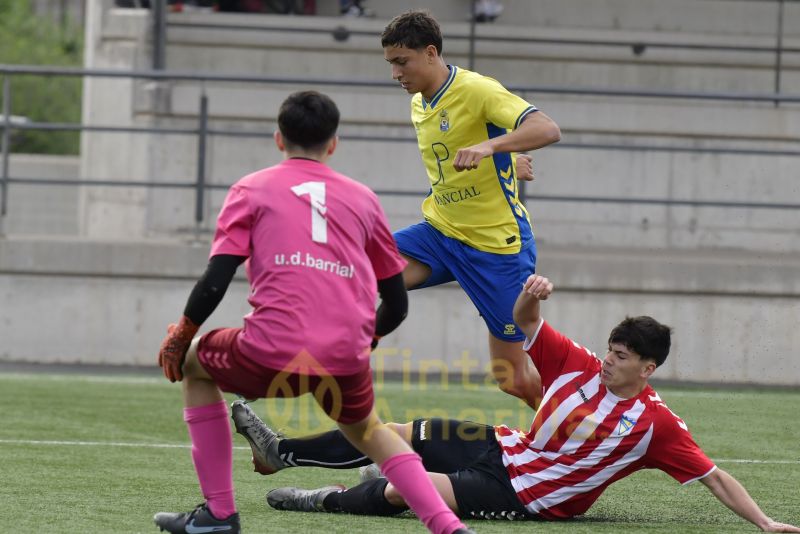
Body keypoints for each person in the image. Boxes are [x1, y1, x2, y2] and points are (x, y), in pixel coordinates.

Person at [230, 274, 800, 532]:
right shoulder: (578, 364)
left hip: (529, 496)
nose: (608, 360)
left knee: (408, 490)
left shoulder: (655, 425)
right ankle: (281, 452)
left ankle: (322, 500)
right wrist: (531, 297)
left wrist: (764, 522)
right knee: (393, 432)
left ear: (647, 369)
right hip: (505, 449)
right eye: (609, 349)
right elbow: (528, 324)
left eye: (621, 356)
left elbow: (714, 477)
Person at [152, 90, 473, 534]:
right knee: (370, 432)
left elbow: (215, 280)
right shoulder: (363, 199)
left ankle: (219, 514)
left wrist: (182, 334)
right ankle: (449, 527)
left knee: (194, 365)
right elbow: (397, 304)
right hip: (344, 353)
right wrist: (364, 341)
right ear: (333, 144)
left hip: (270, 349)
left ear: (279, 139)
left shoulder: (251, 188)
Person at [380, 10, 561, 409]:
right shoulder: (419, 103)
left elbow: (547, 129)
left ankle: (579, 435)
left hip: (494, 249)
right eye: (391, 63)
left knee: (513, 379)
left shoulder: (477, 90)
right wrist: (506, 163)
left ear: (431, 53)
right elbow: (453, 162)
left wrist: (492, 148)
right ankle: (352, 353)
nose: (395, 73)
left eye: (402, 62)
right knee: (366, 269)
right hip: (440, 234)